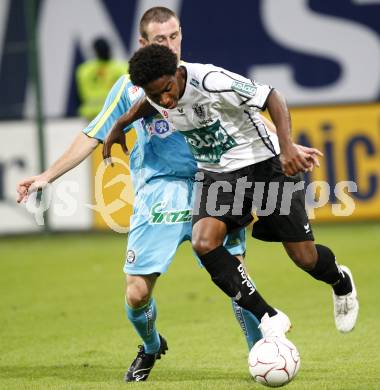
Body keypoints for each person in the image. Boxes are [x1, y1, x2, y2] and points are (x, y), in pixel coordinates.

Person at [15, 7, 308, 383]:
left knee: (237, 280)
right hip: (159, 189)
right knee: (137, 294)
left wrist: (285, 148)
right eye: (159, 40)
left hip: (216, 182)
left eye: (173, 37)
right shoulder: (131, 88)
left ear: (181, 35)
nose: (168, 45)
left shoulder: (202, 78)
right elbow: (93, 135)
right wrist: (47, 176)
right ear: (142, 44)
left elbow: (249, 117)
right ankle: (151, 346)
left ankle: (264, 353)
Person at [103, 44, 359, 343]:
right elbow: (149, 104)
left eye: (168, 89)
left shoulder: (211, 81)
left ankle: (340, 280)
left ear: (177, 72)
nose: (166, 100)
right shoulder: (158, 93)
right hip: (218, 176)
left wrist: (287, 147)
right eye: (155, 94)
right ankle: (268, 316)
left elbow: (272, 96)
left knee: (304, 257)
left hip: (263, 166)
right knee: (204, 242)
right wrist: (122, 122)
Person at [76, 37, 127, 121]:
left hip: (92, 116)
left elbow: (78, 96)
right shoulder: (121, 68)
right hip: (114, 113)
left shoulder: (84, 70)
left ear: (94, 51)